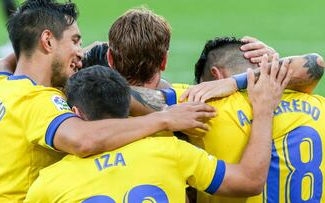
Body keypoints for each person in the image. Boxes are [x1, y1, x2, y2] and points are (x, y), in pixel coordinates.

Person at [0, 0, 214, 202]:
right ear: (48, 40)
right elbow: (84, 139)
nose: (80, 53)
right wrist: (164, 119)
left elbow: (6, 61)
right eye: (75, 41)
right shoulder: (39, 102)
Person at [25, 56, 290, 202]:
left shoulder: (49, 182)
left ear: (76, 115)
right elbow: (249, 181)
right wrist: (263, 109)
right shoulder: (172, 151)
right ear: (128, 105)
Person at [186, 37, 325, 203]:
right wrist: (274, 68)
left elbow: (149, 94)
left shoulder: (207, 110)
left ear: (216, 76)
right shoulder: (317, 105)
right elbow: (315, 63)